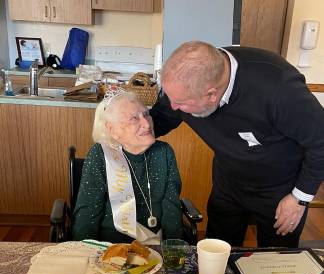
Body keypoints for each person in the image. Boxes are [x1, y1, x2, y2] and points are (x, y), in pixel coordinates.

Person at [150, 41, 324, 247]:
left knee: (275, 260)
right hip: (228, 181)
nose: (174, 107)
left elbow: (320, 142)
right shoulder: (186, 85)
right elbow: (161, 117)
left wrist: (299, 198)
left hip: (280, 187)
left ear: (212, 94)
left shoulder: (279, 89)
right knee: (216, 252)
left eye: (180, 103)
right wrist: (126, 131)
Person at [72, 90, 183, 244]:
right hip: (109, 249)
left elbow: (172, 211)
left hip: (155, 249)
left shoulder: (164, 152)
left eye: (146, 114)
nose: (147, 123)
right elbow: (87, 214)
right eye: (134, 119)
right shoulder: (100, 154)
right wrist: (87, 254)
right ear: (112, 130)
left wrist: (173, 253)